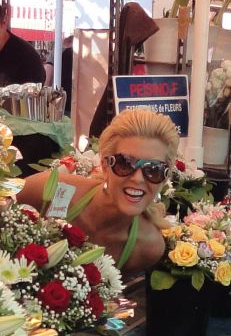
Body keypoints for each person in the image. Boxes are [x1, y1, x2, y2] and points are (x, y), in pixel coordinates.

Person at [17, 108, 178, 276]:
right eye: (125, 163)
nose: (138, 179)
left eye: (154, 170)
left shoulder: (146, 247)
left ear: (165, 178)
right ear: (105, 165)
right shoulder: (54, 189)